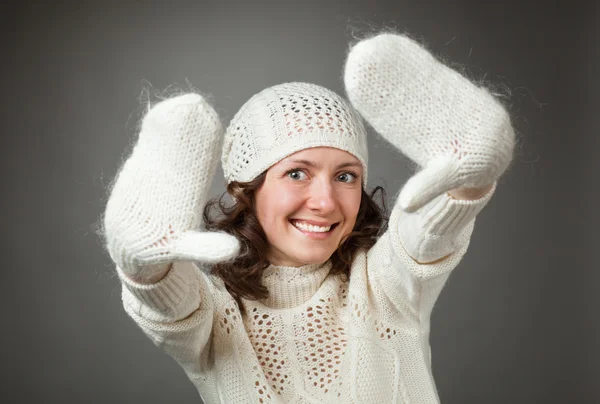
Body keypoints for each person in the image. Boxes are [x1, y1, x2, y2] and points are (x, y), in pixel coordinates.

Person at [102, 32, 514, 403]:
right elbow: (169, 305)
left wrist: (470, 181)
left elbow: (427, 234)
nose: (325, 201)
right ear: (246, 190)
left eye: (346, 176)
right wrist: (143, 269)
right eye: (296, 173)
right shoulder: (214, 314)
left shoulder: (384, 285)